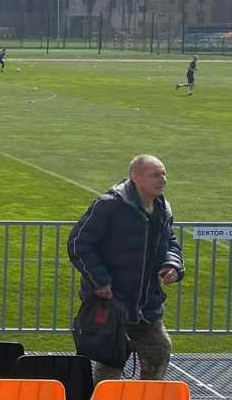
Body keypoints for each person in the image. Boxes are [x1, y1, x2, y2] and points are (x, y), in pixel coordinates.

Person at [67, 154, 184, 383]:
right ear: (135, 177)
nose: (162, 179)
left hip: (147, 305)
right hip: (112, 303)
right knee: (110, 365)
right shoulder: (109, 205)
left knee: (159, 353)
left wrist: (172, 265)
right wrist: (100, 280)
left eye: (163, 174)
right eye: (155, 175)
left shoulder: (162, 208)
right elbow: (79, 243)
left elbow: (170, 241)